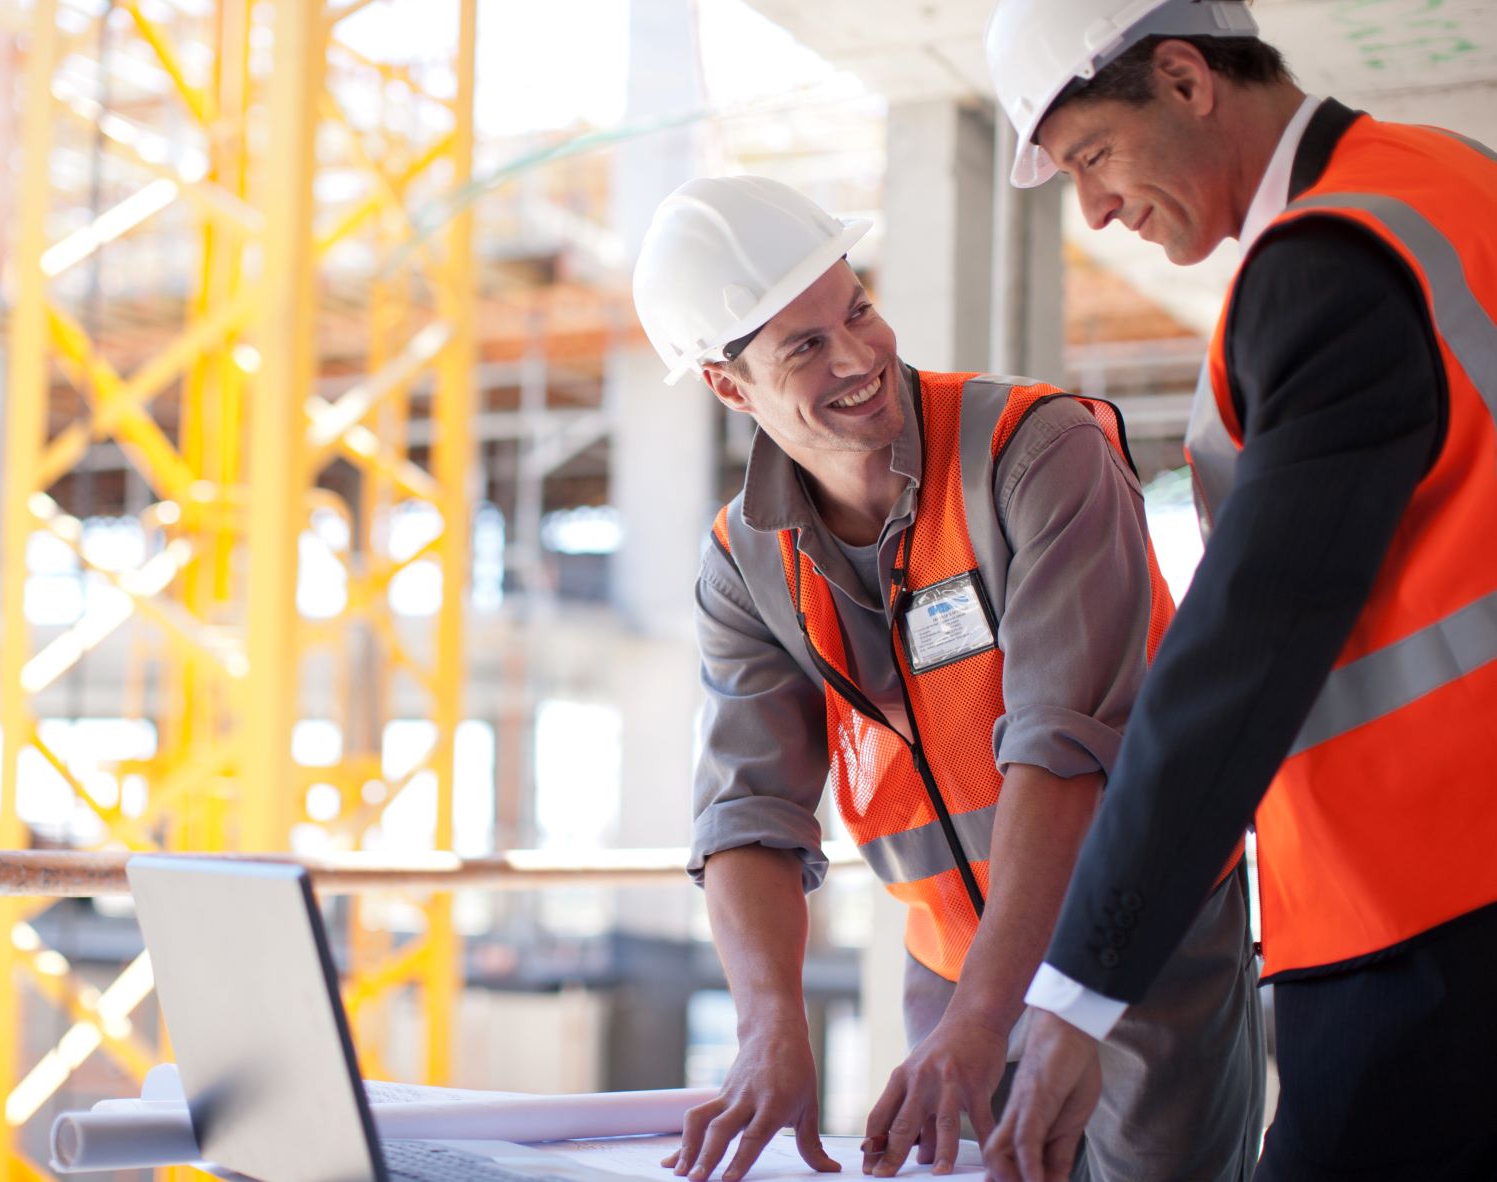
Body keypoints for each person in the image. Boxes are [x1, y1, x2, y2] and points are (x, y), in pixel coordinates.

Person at [629, 175, 1263, 1182]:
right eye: (802, 346)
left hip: (1140, 947)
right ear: (726, 384)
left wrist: (986, 1016)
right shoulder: (745, 562)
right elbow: (749, 811)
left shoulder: (1037, 453)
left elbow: (1063, 754)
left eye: (858, 310)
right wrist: (769, 1029)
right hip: (953, 966)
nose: (858, 357)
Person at [979, 2, 1497, 1180]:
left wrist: (1074, 996)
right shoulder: (1452, 181)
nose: (1096, 209)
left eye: (1093, 158)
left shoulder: (1330, 265)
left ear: (1184, 78)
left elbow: (1245, 649)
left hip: (1431, 917)